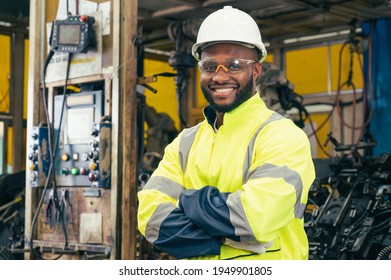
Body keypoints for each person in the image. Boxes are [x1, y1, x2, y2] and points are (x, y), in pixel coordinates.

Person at [137, 6, 315, 260]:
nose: (219, 77)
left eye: (233, 65)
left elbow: (255, 218)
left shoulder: (282, 136)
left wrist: (185, 201)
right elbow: (150, 218)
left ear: (255, 71)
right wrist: (223, 240)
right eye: (210, 66)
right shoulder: (185, 143)